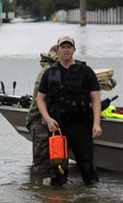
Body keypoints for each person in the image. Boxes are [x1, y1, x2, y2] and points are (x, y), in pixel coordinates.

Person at [36, 36, 102, 186]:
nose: (66, 50)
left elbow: (96, 98)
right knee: (58, 172)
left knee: (88, 171)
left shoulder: (86, 71)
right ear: (58, 50)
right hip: (58, 129)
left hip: (82, 127)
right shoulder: (50, 73)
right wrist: (48, 119)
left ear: (74, 49)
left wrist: (96, 124)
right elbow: (40, 99)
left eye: (69, 47)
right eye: (63, 47)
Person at [25, 45, 58, 175]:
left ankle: (43, 191)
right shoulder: (48, 71)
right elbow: (40, 98)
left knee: (53, 161)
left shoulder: (52, 69)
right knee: (41, 164)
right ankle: (37, 190)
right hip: (39, 121)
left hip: (48, 120)